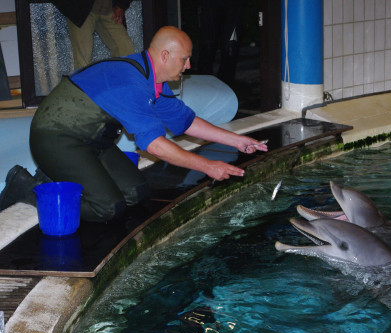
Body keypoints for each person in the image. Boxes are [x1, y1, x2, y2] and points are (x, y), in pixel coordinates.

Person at [27, 26, 267, 223]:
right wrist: (208, 166)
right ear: (165, 56)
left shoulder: (151, 79)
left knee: (136, 192)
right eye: (184, 59)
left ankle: (67, 179)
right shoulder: (132, 83)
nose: (188, 66)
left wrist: (237, 140)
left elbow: (186, 121)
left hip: (94, 141)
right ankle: (29, 189)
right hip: (57, 139)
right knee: (107, 208)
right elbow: (155, 146)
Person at [51, 0, 135, 69]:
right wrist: (70, 7)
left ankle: (121, 87)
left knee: (126, 50)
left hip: (109, 8)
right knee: (83, 62)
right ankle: (84, 88)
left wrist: (122, 4)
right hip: (79, 9)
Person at [197, 0, 244, 87]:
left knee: (230, 47)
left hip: (234, 5)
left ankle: (226, 90)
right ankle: (202, 89)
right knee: (207, 45)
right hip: (209, 4)